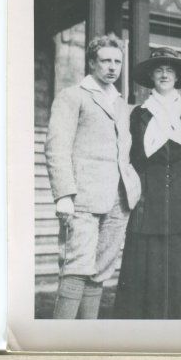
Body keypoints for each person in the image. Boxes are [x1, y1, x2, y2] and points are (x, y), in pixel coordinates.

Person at [45, 35, 141, 320]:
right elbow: (56, 147)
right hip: (83, 198)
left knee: (100, 271)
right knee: (76, 267)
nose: (112, 67)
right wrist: (64, 195)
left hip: (118, 200)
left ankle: (87, 336)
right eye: (105, 60)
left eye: (117, 62)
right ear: (91, 63)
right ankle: (59, 340)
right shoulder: (72, 96)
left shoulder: (121, 104)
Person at [113, 48, 181, 319]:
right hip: (148, 193)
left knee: (180, 263)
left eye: (170, 70)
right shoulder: (139, 114)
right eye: (159, 70)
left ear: (177, 77)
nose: (164, 74)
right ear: (151, 76)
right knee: (147, 263)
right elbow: (133, 157)